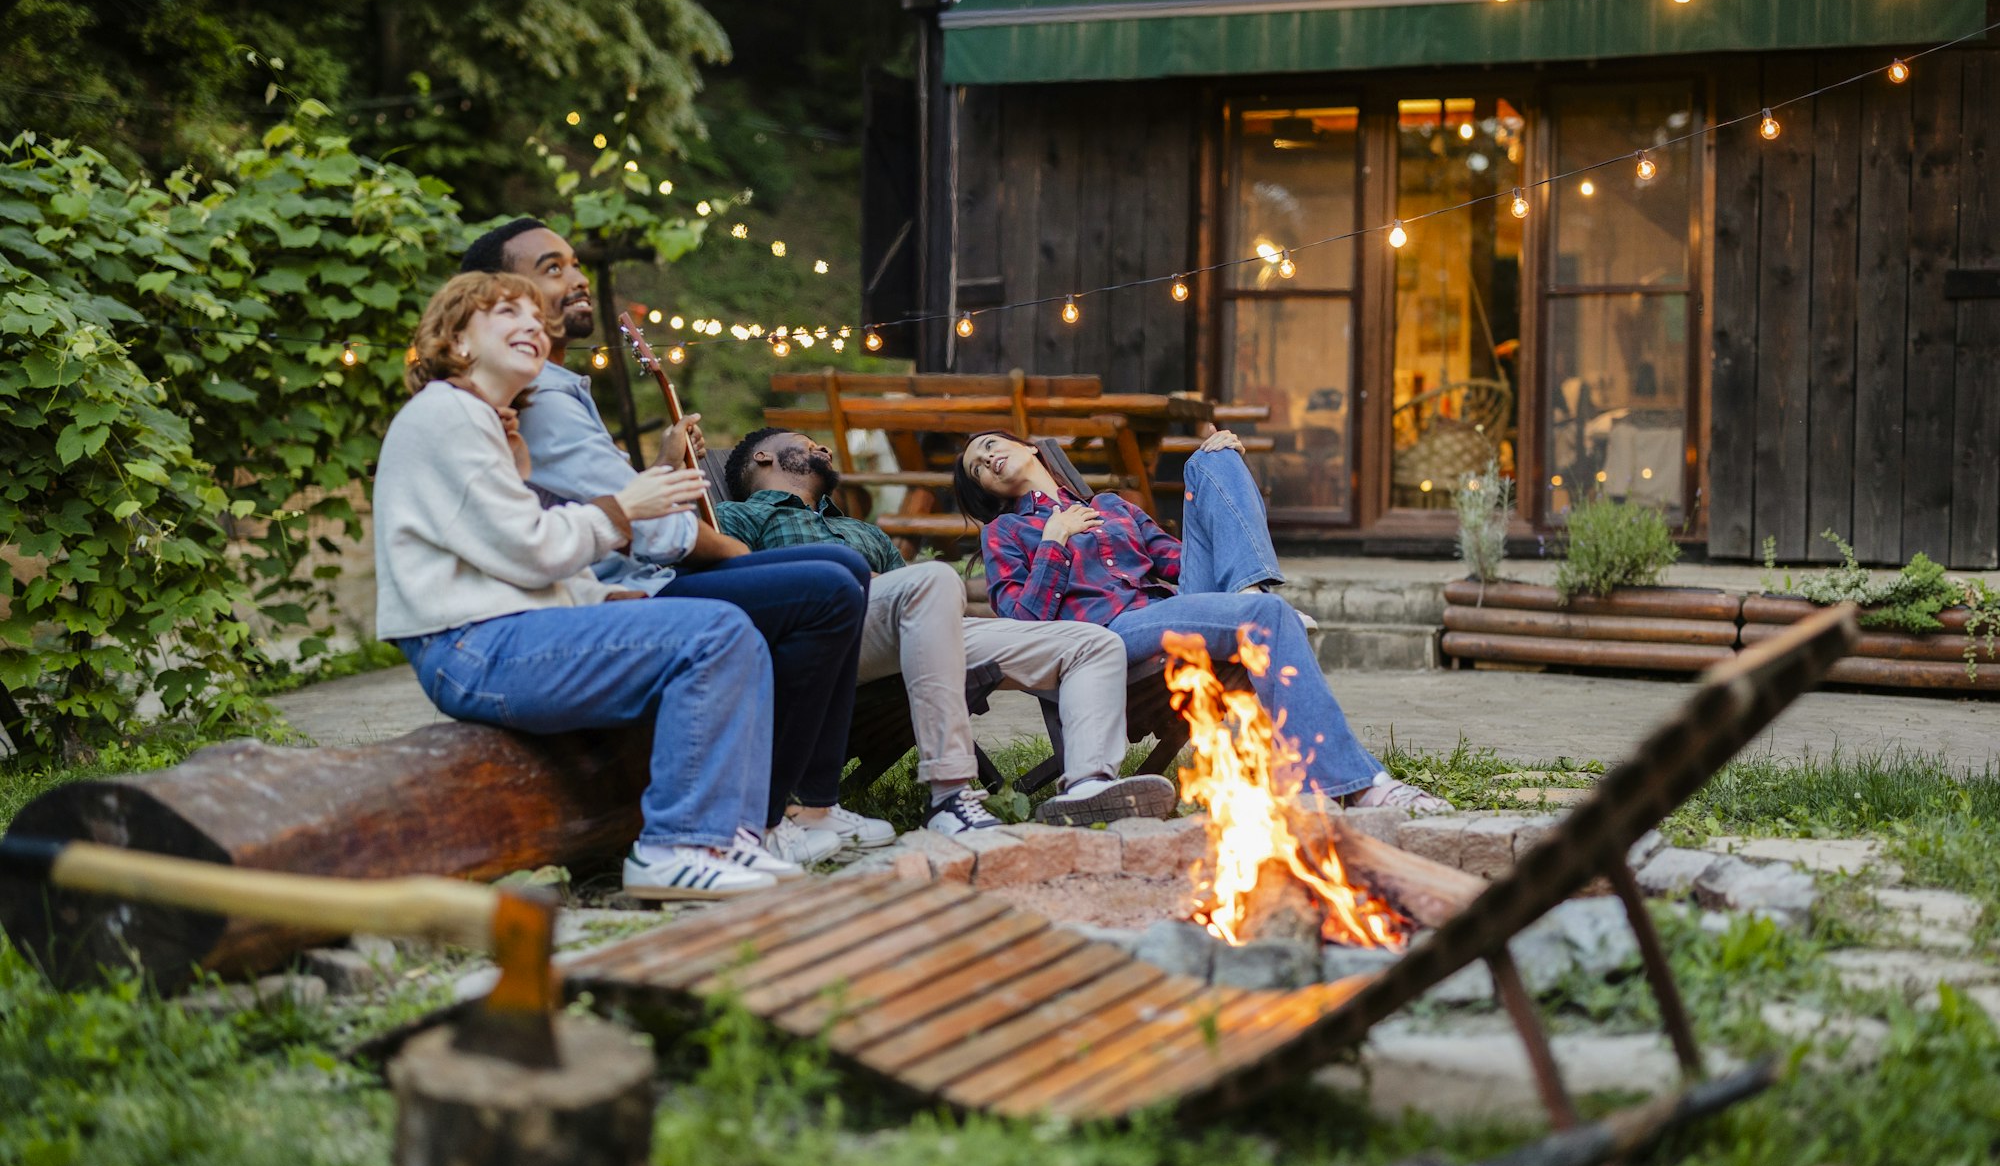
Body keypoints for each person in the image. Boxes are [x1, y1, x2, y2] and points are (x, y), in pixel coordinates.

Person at [458, 218, 875, 863]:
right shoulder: (537, 398)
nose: (575, 279)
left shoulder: (562, 390)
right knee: (828, 588)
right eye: (550, 269)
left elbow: (623, 506)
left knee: (841, 563)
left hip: (636, 573)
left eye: (573, 264)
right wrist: (733, 549)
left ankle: (813, 805)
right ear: (497, 302)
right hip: (615, 596)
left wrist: (659, 467)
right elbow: (652, 530)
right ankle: (764, 818)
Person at [373, 271, 794, 900]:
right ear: (457, 342)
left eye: (534, 317)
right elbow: (529, 549)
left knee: (733, 630)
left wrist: (601, 599)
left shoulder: (487, 422)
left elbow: (514, 560)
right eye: (504, 312)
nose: (532, 323)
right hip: (467, 649)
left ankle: (726, 837)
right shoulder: (447, 416)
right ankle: (674, 847)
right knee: (713, 633)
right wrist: (625, 507)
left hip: (504, 633)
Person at [954, 429, 1451, 811]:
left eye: (991, 445)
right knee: (1268, 616)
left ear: (1030, 448)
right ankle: (1364, 787)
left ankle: (1247, 594)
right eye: (978, 467)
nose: (987, 458)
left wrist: (1218, 478)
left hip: (1168, 610)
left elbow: (1177, 560)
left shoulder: (1111, 507)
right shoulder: (1007, 531)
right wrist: (1054, 541)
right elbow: (1023, 623)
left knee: (1213, 459)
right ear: (989, 490)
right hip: (1110, 634)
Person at [721, 428, 1179, 831]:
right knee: (935, 576)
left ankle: (1086, 787)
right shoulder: (742, 518)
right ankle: (950, 797)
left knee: (1093, 643)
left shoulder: (862, 532)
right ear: (764, 457)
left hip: (917, 629)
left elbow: (915, 598)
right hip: (827, 630)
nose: (822, 446)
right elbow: (738, 578)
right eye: (805, 442)